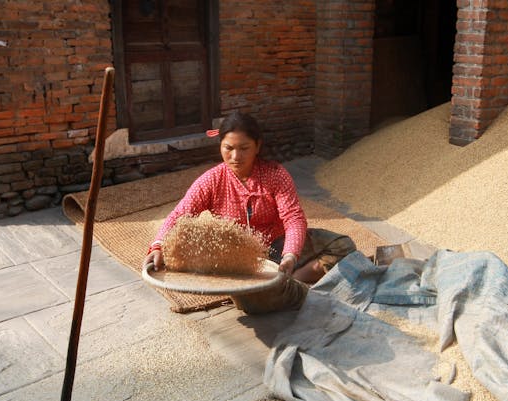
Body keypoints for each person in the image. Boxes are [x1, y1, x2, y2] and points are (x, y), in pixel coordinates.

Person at [143, 111, 356, 313]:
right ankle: (295, 292)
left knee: (344, 246)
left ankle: (290, 281)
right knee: (250, 302)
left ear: (257, 146)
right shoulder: (212, 180)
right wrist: (158, 244)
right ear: (220, 146)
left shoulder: (275, 174)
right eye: (228, 148)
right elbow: (181, 213)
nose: (236, 156)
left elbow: (293, 218)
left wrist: (290, 255)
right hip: (239, 259)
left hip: (277, 243)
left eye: (244, 148)